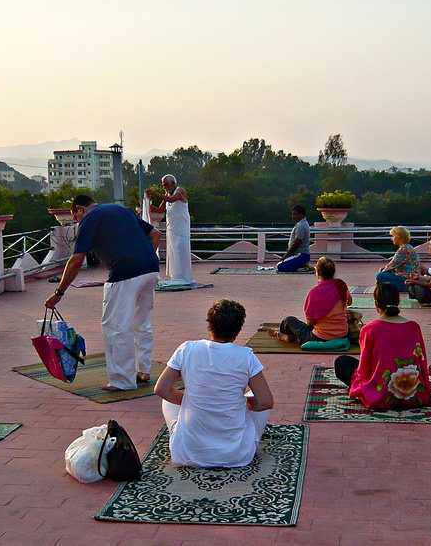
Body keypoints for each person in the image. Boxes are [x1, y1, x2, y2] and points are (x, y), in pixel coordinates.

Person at [45, 195, 162, 391]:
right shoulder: (120, 210)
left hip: (124, 273)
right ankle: (144, 370)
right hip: (150, 269)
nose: (77, 222)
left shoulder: (90, 219)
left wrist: (59, 292)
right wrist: (144, 257)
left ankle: (122, 380)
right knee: (141, 322)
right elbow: (155, 234)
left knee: (115, 326)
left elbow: (76, 260)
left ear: (80, 210)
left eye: (76, 217)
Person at [154, 299, 274, 468]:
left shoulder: (187, 349)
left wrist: (193, 401)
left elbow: (161, 389)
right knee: (256, 398)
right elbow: (266, 402)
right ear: (238, 330)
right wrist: (242, 403)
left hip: (187, 453)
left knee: (167, 399)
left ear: (209, 324)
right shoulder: (246, 356)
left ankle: (185, 430)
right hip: (237, 455)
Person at [334, 283, 431, 410]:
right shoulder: (414, 327)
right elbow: (422, 363)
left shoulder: (369, 329)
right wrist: (426, 388)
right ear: (398, 302)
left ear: (376, 304)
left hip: (380, 395)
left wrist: (358, 386)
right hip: (412, 392)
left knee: (342, 363)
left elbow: (363, 368)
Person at [277, 257, 351, 345]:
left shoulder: (314, 293)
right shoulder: (341, 285)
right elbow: (349, 301)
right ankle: (292, 337)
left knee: (288, 321)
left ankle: (288, 336)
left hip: (319, 337)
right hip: (343, 334)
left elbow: (310, 323)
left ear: (317, 272)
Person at [152, 174, 194, 286]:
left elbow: (172, 199)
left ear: (173, 183)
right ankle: (176, 276)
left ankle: (184, 276)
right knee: (173, 250)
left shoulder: (180, 191)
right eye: (163, 185)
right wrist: (146, 205)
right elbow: (160, 210)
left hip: (182, 227)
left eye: (165, 184)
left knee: (181, 248)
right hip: (171, 227)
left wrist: (155, 194)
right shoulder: (166, 194)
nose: (164, 187)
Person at [374, 226, 422, 293]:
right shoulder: (408, 246)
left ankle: (405, 287)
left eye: (393, 236)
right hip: (412, 277)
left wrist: (382, 272)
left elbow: (392, 264)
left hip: (408, 278)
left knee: (380, 276)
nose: (391, 239)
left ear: (398, 237)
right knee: (383, 273)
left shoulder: (403, 249)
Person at [276, 205, 311, 272]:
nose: (293, 217)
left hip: (301, 255)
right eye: (292, 214)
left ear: (301, 214)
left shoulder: (301, 225)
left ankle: (303, 267)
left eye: (295, 214)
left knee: (280, 266)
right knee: (281, 264)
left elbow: (297, 242)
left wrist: (286, 255)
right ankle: (303, 266)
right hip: (301, 255)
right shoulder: (303, 223)